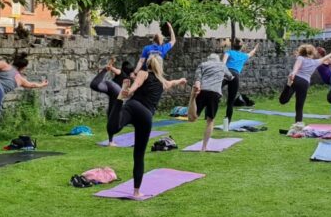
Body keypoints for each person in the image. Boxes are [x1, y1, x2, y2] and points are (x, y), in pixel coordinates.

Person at [117, 54, 186, 198]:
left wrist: (128, 91)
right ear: (159, 66)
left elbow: (136, 85)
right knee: (139, 155)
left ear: (147, 65)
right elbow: (172, 82)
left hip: (134, 108)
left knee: (117, 124)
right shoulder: (162, 82)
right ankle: (136, 192)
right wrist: (180, 80)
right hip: (146, 117)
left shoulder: (143, 74)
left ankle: (113, 130)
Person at [278, 45, 331, 125]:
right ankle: (298, 125)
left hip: (296, 79)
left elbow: (296, 67)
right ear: (312, 53)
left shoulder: (300, 58)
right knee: (299, 107)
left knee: (283, 101)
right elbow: (325, 57)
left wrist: (293, 73)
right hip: (304, 83)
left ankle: (288, 85)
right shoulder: (315, 62)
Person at [187, 53, 235, 151]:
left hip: (202, 91)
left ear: (208, 59)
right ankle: (204, 147)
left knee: (192, 118)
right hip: (214, 93)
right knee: (210, 120)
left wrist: (197, 86)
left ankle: (192, 98)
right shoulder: (222, 65)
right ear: (217, 60)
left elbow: (197, 79)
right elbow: (230, 77)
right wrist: (222, 76)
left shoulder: (203, 64)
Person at [90, 58, 135, 146]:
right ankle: (111, 141)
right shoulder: (124, 74)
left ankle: (111, 141)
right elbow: (117, 71)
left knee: (94, 85)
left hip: (109, 86)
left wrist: (109, 67)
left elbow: (115, 70)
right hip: (115, 91)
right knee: (113, 117)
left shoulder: (124, 74)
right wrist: (111, 67)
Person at [221, 39, 259, 128]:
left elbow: (223, 63)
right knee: (230, 101)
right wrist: (255, 48)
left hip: (227, 73)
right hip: (235, 76)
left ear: (233, 46)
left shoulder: (229, 52)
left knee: (214, 91)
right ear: (241, 47)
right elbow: (251, 53)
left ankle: (207, 114)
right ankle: (227, 123)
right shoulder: (243, 55)